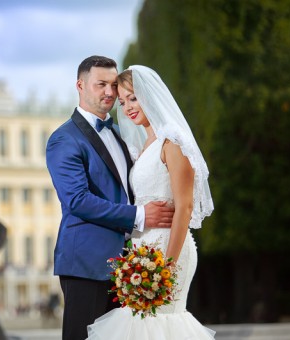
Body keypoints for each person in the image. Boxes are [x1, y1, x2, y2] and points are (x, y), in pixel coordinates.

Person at [45, 56, 175, 340]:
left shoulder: (118, 132)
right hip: (87, 264)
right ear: (80, 85)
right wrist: (139, 215)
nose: (108, 92)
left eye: (113, 85)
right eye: (100, 84)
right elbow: (77, 201)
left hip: (127, 264)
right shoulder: (64, 139)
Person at [85, 65, 215, 339]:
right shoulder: (144, 145)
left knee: (163, 326)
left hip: (170, 251)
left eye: (133, 98)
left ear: (149, 95)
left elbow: (185, 207)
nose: (127, 107)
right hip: (142, 255)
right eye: (122, 102)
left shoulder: (173, 142)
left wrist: (167, 266)